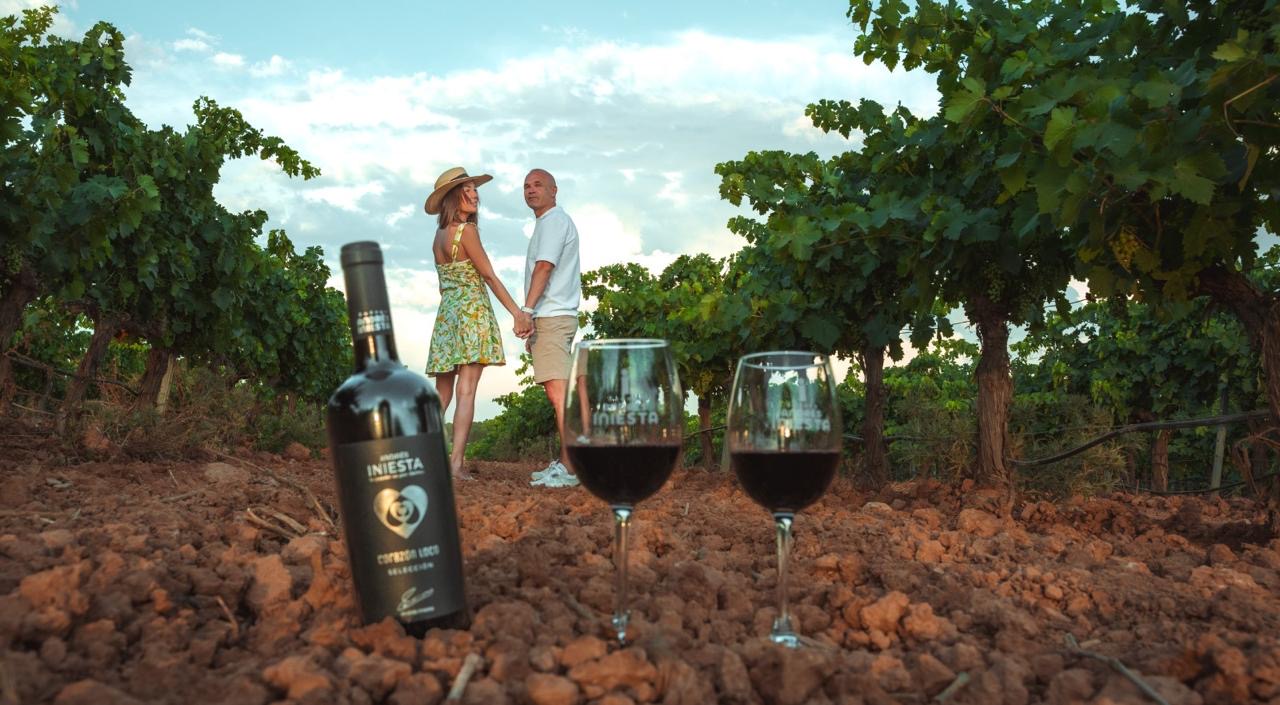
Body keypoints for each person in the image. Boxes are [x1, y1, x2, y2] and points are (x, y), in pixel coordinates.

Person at [424, 167, 533, 481]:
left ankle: (423, 458)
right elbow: (488, 276)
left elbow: (444, 285)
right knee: (467, 391)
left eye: (475, 190)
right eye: (467, 190)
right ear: (452, 198)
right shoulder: (466, 231)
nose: (474, 195)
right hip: (472, 313)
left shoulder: (439, 236)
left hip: (447, 316)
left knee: (441, 394)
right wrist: (517, 313)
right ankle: (455, 464)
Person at [521, 168, 582, 488]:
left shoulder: (554, 221)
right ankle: (571, 462)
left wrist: (527, 312)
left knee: (560, 396)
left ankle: (571, 469)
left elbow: (544, 267)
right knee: (561, 393)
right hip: (553, 316)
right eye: (526, 186)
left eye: (538, 185)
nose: (531, 190)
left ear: (554, 190)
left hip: (552, 315)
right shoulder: (549, 223)